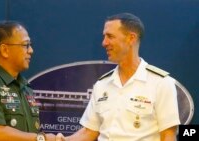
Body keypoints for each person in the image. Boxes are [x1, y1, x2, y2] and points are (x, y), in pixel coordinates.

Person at [56, 13, 180, 141]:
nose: (104, 43)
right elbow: (89, 132)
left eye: (110, 36)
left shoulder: (161, 83)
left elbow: (168, 136)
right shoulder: (102, 84)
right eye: (104, 37)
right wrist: (62, 140)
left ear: (131, 38)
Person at [0, 21, 56, 141]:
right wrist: (41, 138)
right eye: (25, 45)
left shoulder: (26, 87)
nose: (31, 50)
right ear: (4, 50)